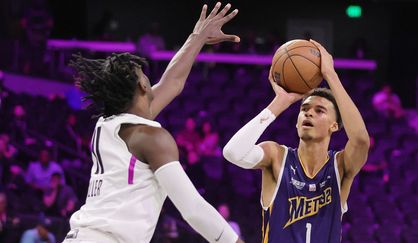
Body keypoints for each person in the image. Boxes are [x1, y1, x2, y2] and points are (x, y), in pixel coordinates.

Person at [64, 3, 243, 243]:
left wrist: (197, 38)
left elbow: (173, 81)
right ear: (143, 86)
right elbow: (193, 209)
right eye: (143, 73)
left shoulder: (109, 123)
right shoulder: (150, 137)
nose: (149, 77)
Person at [223, 40, 370, 242]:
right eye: (304, 109)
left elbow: (361, 140)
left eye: (319, 111)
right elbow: (232, 153)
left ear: (334, 126)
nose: (309, 113)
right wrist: (279, 103)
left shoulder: (340, 166)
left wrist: (330, 75)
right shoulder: (277, 156)